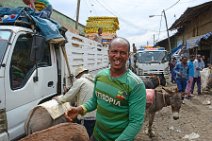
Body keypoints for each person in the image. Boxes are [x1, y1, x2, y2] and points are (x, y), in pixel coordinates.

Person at [65, 37, 146, 141]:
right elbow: (94, 101)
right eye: (114, 51)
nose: (117, 56)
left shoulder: (136, 84)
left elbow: (136, 123)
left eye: (122, 53)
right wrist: (79, 109)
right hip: (97, 136)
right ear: (108, 53)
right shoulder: (100, 76)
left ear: (128, 56)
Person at [55, 66, 95, 137]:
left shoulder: (81, 80)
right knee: (89, 135)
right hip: (94, 116)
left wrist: (59, 99)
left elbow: (69, 96)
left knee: (83, 136)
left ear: (79, 75)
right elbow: (79, 96)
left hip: (85, 117)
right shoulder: (92, 81)